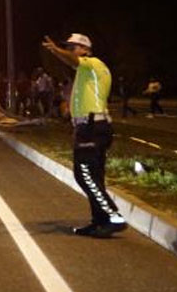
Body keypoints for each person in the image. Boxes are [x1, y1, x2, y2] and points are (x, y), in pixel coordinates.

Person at [42, 33, 127, 237]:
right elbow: (72, 61)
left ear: (85, 50)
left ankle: (114, 217)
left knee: (84, 175)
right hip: (91, 126)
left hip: (93, 127)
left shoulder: (93, 64)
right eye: (68, 47)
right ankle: (100, 222)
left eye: (73, 47)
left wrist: (56, 50)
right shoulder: (85, 71)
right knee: (94, 176)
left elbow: (72, 59)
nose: (69, 51)